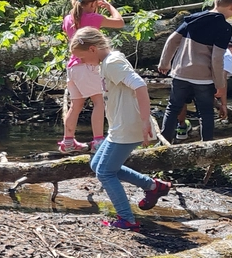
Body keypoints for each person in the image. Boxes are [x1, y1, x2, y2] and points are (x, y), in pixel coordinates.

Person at [68, 27, 171, 229]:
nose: (81, 62)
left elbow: (140, 85)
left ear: (92, 49)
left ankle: (127, 219)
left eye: (81, 58)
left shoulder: (112, 63)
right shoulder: (109, 61)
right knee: (97, 164)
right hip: (119, 126)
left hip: (129, 127)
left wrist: (144, 121)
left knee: (105, 172)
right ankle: (154, 186)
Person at [157, 0, 232, 143]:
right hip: (203, 78)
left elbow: (172, 40)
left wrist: (165, 63)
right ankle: (208, 147)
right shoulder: (224, 28)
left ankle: (163, 144)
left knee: (173, 108)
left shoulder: (194, 18)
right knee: (205, 113)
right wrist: (219, 83)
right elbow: (217, 58)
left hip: (181, 73)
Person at [59, 0, 125, 153]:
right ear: (94, 2)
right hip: (88, 66)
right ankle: (98, 140)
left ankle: (68, 141)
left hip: (73, 67)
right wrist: (109, 6)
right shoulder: (94, 18)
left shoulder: (68, 19)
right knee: (99, 102)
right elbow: (119, 22)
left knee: (76, 105)